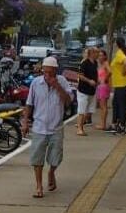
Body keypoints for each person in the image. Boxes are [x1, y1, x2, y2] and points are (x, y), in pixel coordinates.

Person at [20, 56, 74, 199]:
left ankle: (51, 172)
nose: (48, 76)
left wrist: (57, 86)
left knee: (56, 157)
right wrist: (25, 122)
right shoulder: (36, 84)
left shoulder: (62, 82)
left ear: (56, 71)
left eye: (51, 73)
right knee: (37, 159)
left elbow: (68, 102)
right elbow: (29, 104)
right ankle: (39, 186)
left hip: (56, 127)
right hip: (39, 126)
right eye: (45, 72)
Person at [108, 38, 126, 134]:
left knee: (121, 104)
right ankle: (116, 123)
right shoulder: (121, 52)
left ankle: (122, 125)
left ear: (116, 44)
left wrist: (124, 72)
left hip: (122, 83)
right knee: (115, 103)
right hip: (119, 84)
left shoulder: (119, 53)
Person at [76, 47, 99, 136]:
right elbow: (80, 75)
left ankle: (80, 124)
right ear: (92, 53)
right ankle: (79, 128)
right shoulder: (85, 63)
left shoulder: (95, 63)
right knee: (81, 110)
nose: (98, 55)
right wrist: (89, 81)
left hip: (92, 90)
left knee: (89, 111)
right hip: (83, 90)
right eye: (96, 53)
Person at [95, 49, 112, 131]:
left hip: (103, 86)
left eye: (102, 55)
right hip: (100, 86)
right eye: (99, 55)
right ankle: (102, 123)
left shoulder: (105, 64)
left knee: (103, 106)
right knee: (102, 107)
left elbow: (110, 71)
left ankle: (103, 124)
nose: (100, 57)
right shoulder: (99, 65)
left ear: (105, 56)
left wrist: (105, 79)